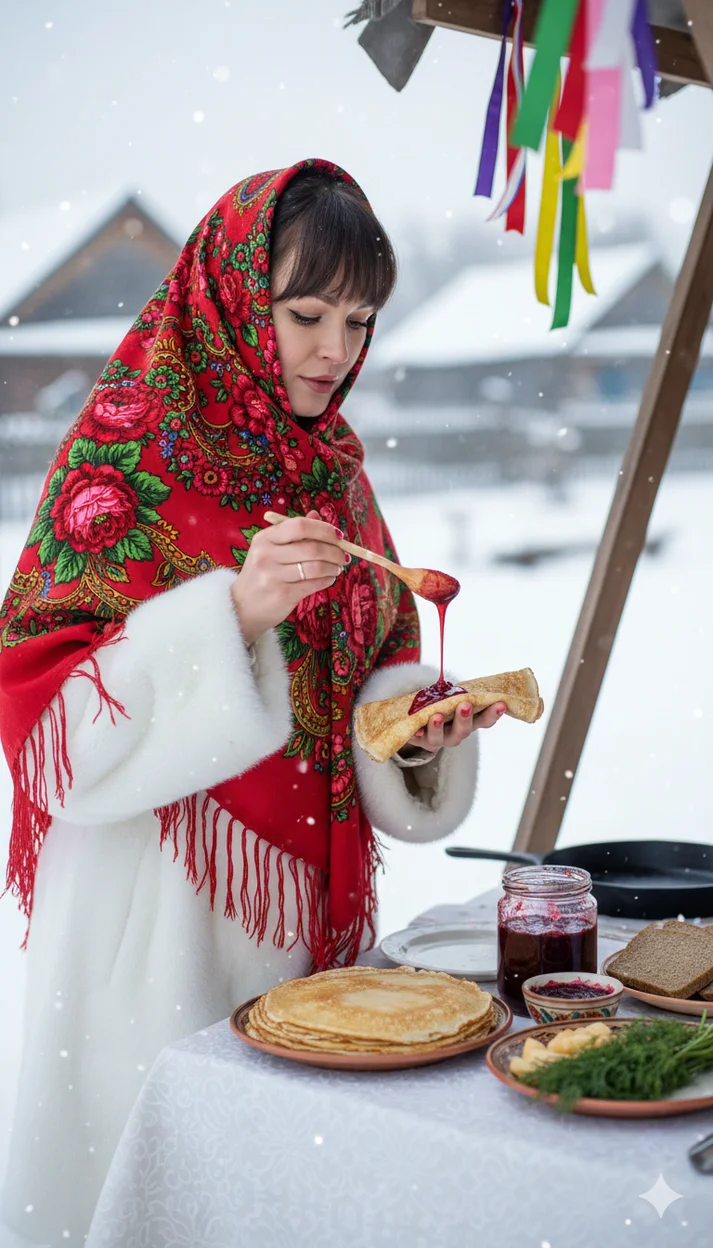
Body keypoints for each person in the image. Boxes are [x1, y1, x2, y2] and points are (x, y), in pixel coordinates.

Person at [0, 158, 505, 1244]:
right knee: (157, 1197)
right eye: (305, 313)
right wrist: (231, 613)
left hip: (305, 937)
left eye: (359, 322)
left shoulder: (336, 476)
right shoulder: (124, 459)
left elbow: (369, 670)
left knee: (276, 1198)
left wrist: (417, 733)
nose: (336, 351)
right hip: (152, 926)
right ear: (231, 297)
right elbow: (46, 736)